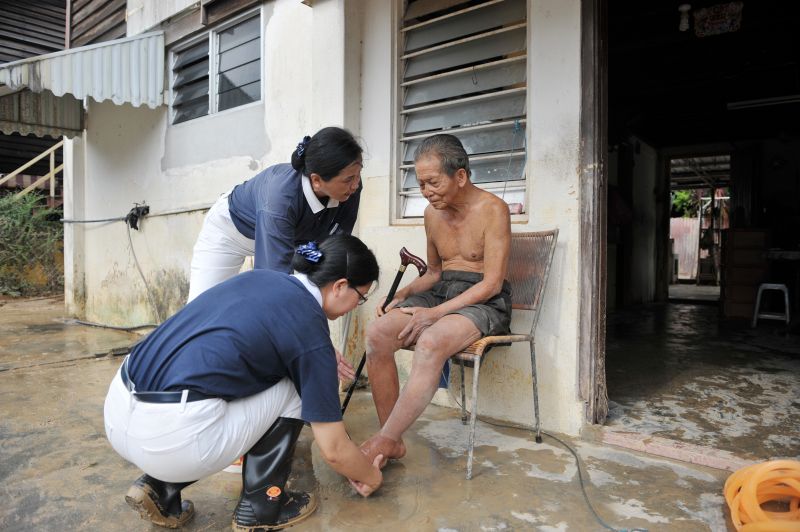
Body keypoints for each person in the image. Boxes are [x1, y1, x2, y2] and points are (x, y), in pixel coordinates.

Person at [104, 235, 384, 530]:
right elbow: (334, 449)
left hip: (119, 408)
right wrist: (371, 476)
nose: (357, 305)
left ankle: (159, 488)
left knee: (228, 379)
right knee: (295, 387)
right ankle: (262, 506)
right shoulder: (309, 327)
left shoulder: (261, 278)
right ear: (340, 286)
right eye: (361, 297)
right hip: (173, 436)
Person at [359, 134, 512, 466]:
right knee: (378, 334)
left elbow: (492, 282)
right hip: (442, 291)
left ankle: (383, 443)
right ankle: (392, 437)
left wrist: (435, 314)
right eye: (421, 183)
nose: (426, 191)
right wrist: (401, 294)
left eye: (433, 182)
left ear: (460, 176)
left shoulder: (493, 209)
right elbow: (433, 273)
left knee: (430, 342)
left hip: (483, 301)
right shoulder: (431, 213)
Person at [187, 126, 364, 302]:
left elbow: (333, 247)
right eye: (349, 179)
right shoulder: (280, 199)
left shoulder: (350, 188)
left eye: (358, 175)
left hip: (293, 240)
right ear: (316, 180)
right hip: (230, 233)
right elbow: (272, 280)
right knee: (201, 308)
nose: (355, 184)